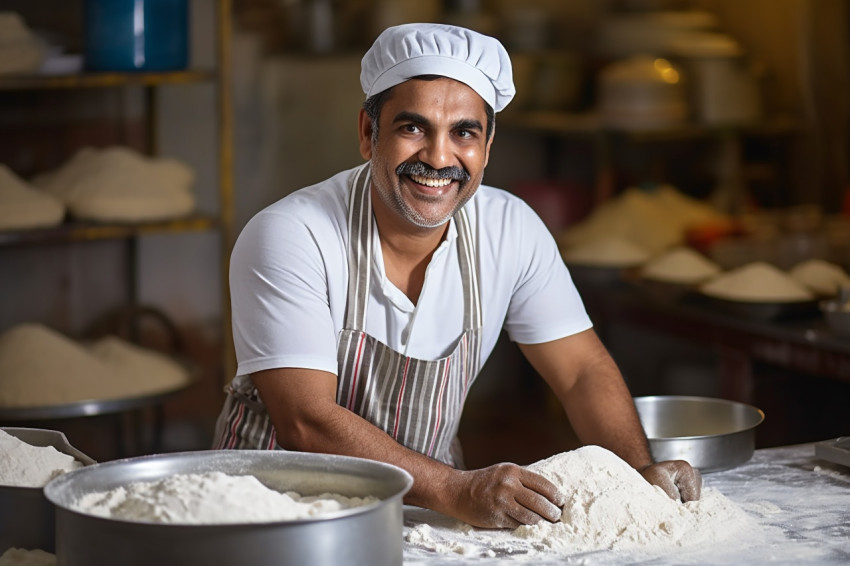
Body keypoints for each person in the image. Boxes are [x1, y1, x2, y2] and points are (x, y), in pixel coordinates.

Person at [213, 22, 701, 529]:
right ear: (367, 133)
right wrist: (456, 486)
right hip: (273, 513)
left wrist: (637, 472)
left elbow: (580, 371)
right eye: (413, 127)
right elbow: (305, 421)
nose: (439, 157)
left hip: (426, 517)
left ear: (487, 147)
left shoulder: (509, 230)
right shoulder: (292, 235)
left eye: (464, 133)